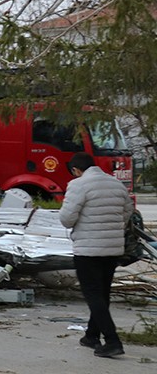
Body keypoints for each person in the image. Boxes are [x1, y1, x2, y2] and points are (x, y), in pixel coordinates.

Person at [59, 151, 134, 359]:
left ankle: (112, 341)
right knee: (102, 294)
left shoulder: (78, 185)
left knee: (93, 295)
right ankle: (91, 336)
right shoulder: (115, 184)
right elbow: (128, 211)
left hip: (88, 250)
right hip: (113, 248)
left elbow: (66, 218)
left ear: (75, 170)